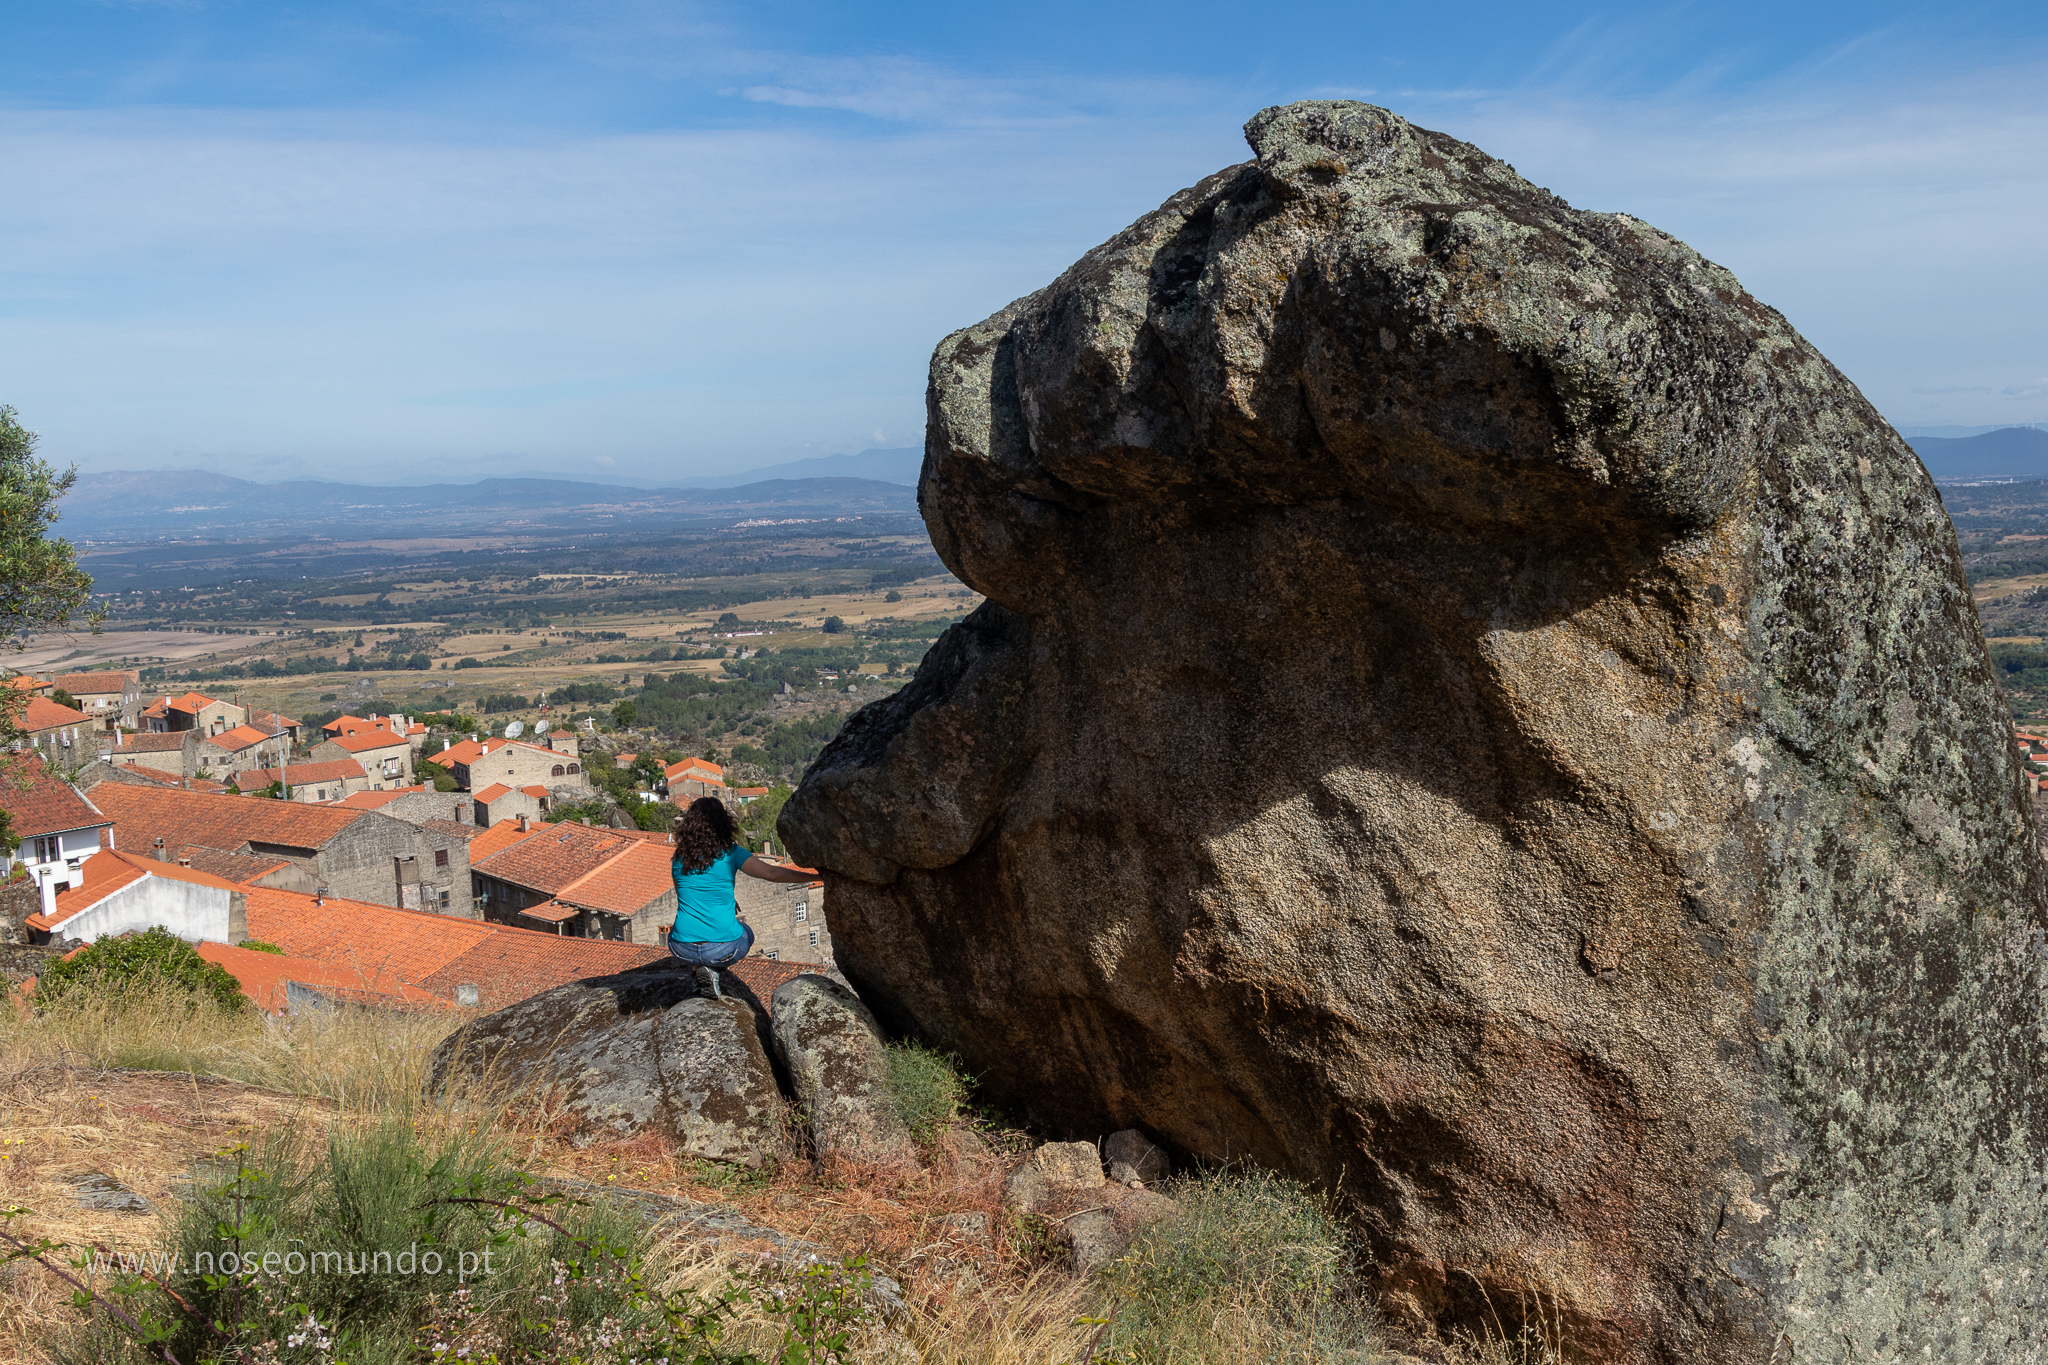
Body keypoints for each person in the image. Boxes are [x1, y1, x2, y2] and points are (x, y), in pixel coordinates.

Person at [668, 796, 817, 996]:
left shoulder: (678, 858)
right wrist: (817, 876)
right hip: (721, 949)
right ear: (723, 824)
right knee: (746, 933)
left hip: (681, 947)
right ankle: (712, 969)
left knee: (686, 937)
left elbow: (686, 896)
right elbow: (773, 874)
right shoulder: (731, 853)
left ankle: (697, 969)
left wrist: (727, 899)